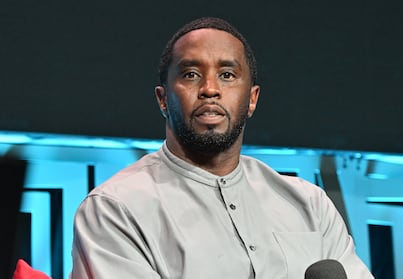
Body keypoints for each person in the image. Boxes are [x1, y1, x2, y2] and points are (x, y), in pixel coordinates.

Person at [70, 17, 374, 278]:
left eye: (227, 75)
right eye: (191, 74)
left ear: (252, 98)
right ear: (163, 99)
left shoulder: (310, 205)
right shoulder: (116, 208)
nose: (210, 89)